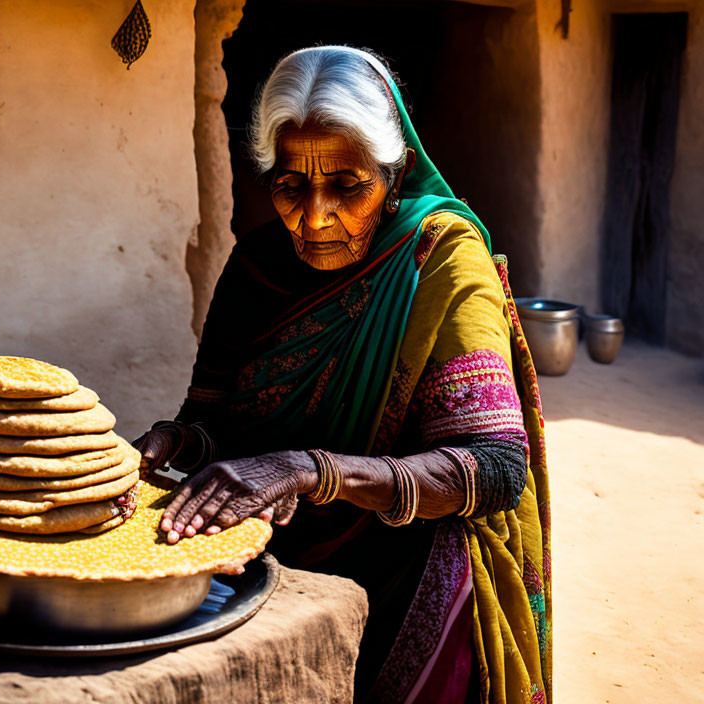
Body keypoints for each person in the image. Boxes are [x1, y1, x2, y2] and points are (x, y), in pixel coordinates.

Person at [134, 46, 551, 704]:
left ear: (397, 174)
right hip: (274, 562)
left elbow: (495, 467)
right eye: (290, 184)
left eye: (348, 184)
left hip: (409, 566)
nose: (315, 213)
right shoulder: (257, 268)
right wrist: (173, 443)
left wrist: (312, 470)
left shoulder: (438, 262)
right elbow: (211, 421)